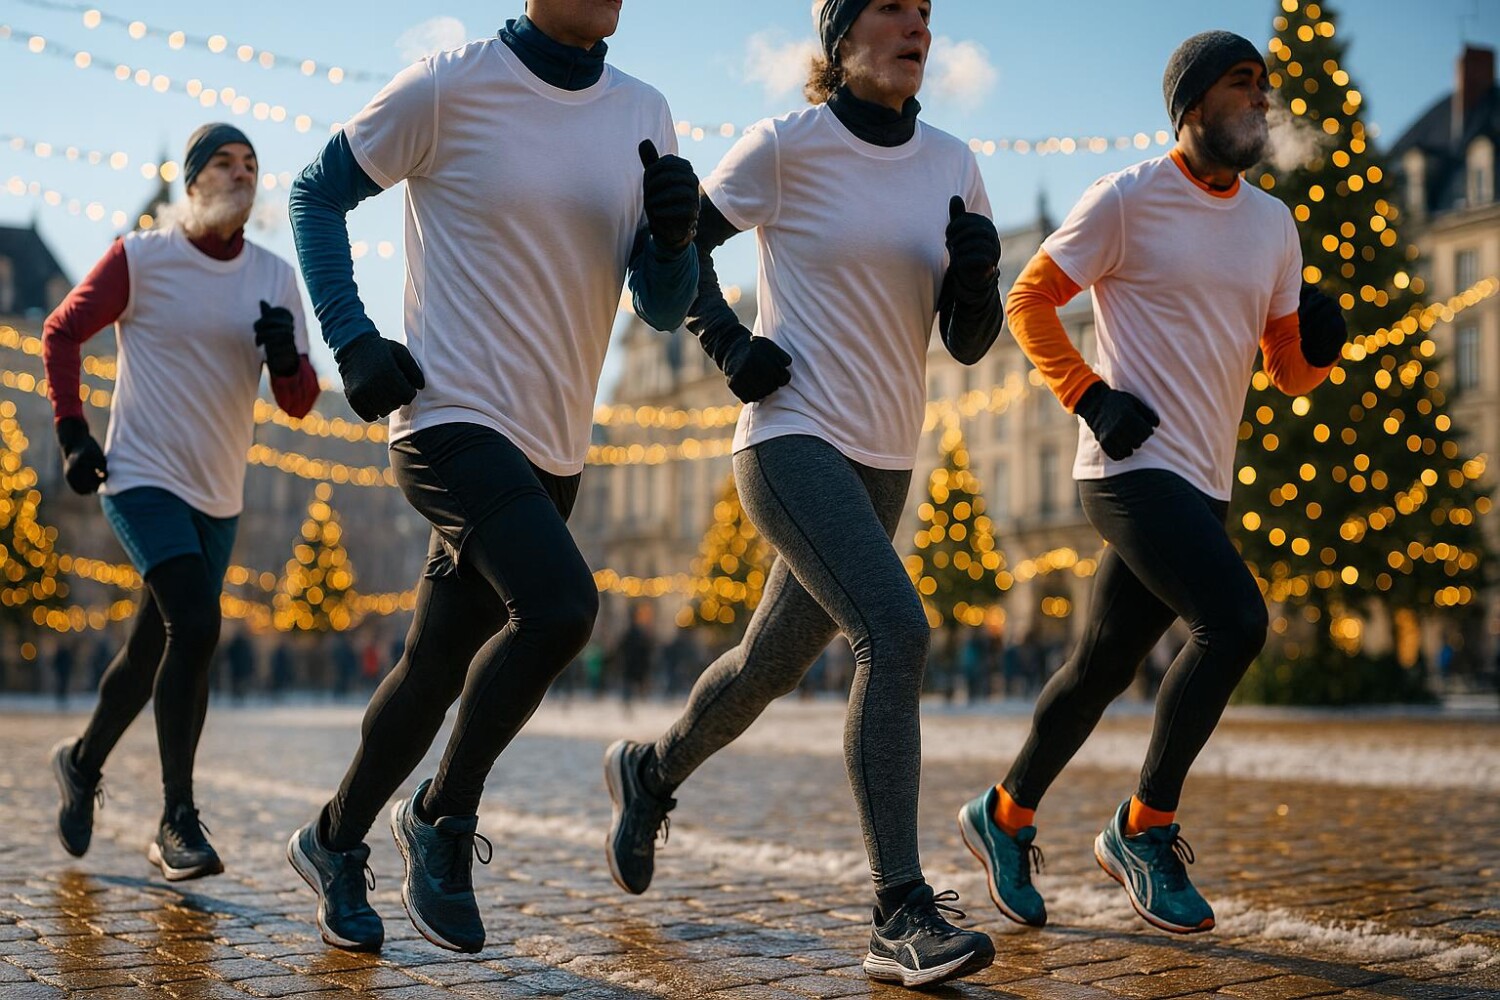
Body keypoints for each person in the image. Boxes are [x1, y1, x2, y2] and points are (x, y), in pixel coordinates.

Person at [284, 0, 700, 955]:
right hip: (446, 418)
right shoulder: (449, 84)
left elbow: (661, 306)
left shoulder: (646, 112)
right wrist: (350, 337)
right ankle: (441, 814)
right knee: (561, 609)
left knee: (433, 669)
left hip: (555, 448)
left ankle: (331, 839)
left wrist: (673, 244)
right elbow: (314, 192)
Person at [603, 0, 1002, 987]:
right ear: (839, 41)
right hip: (788, 440)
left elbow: (966, 340)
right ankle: (898, 909)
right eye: (891, 9)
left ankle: (649, 773)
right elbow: (672, 249)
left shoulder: (954, 164)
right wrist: (728, 342)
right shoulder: (788, 144)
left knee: (761, 668)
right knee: (896, 634)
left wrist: (980, 282)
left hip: (885, 459)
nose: (917, 26)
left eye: (925, 12)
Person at [957, 31, 1348, 936]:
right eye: (1242, 84)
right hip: (1127, 469)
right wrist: (1090, 397)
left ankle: (1003, 815)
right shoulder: (1128, 198)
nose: (1261, 100)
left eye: (1265, 88)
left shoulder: (1272, 224)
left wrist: (1320, 348)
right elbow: (1028, 300)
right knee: (1235, 622)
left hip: (1205, 479)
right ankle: (1145, 827)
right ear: (1192, 102)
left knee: (1099, 669)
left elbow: (1287, 372)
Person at [44, 123, 319, 880]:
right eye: (224, 163)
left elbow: (300, 404)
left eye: (252, 166)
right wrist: (73, 433)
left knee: (153, 645)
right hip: (140, 478)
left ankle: (81, 759)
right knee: (196, 626)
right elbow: (62, 333)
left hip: (218, 493)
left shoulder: (273, 276)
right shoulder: (143, 258)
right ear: (192, 182)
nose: (241, 174)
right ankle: (177, 818)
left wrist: (286, 356)